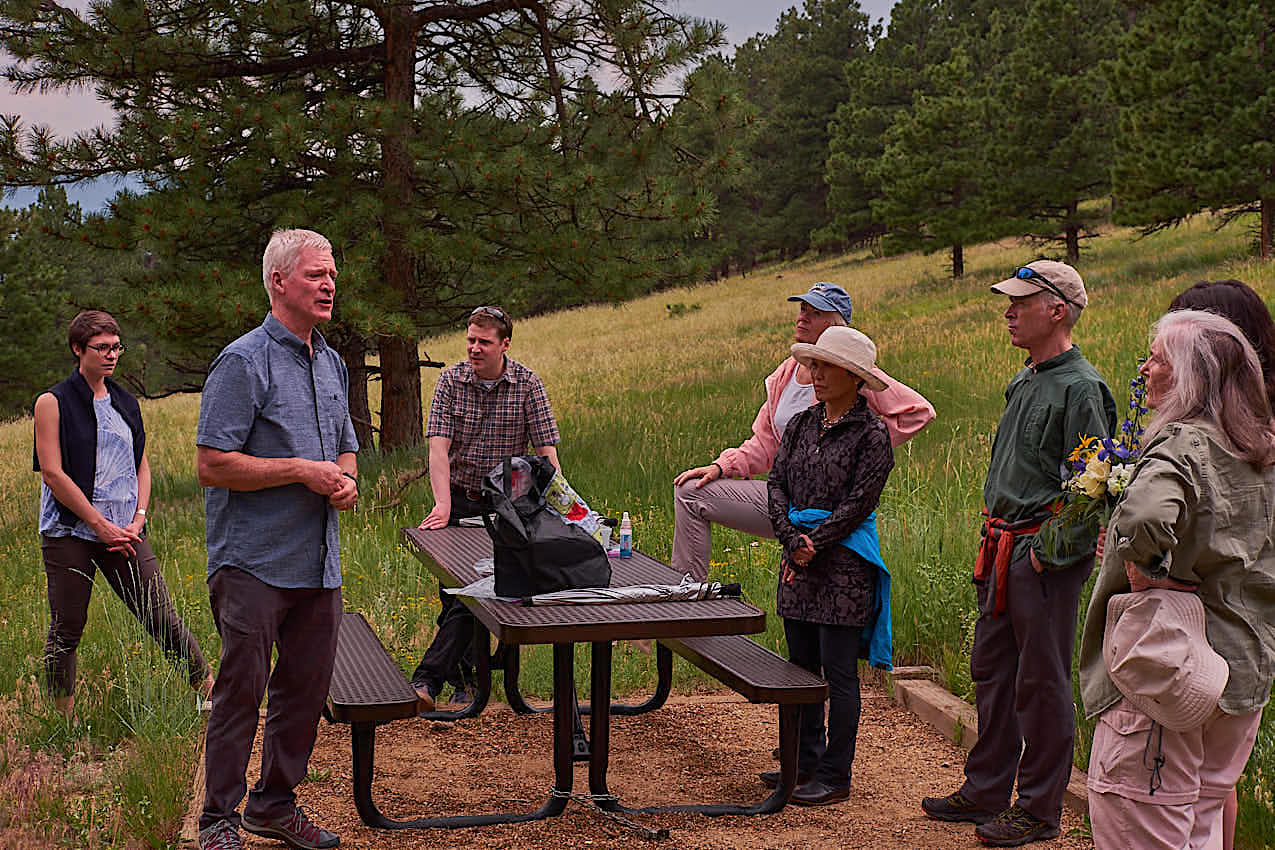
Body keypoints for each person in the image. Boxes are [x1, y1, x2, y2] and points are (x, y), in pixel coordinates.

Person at [921, 260, 1117, 846]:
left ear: (1057, 310)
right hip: (1003, 547)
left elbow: (1095, 486)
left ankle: (1037, 809)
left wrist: (1046, 554)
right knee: (993, 671)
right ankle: (985, 789)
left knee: (1043, 681)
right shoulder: (1027, 378)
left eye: (1020, 302)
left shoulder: (1082, 387)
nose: (1007, 312)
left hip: (1041, 555)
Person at [1078, 309, 1275, 850]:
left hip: (1169, 675)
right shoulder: (1262, 449)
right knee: (1204, 824)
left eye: (1158, 359)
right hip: (1240, 676)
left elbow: (1144, 520)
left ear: (1190, 377)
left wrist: (1150, 575)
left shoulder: (1181, 446)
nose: (1145, 370)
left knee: (1141, 823)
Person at [195, 229, 358, 850]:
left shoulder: (332, 361)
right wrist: (297, 470)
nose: (328, 284)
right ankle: (217, 820)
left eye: (332, 275)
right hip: (253, 563)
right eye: (316, 274)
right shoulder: (243, 362)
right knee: (243, 689)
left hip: (318, 563)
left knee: (305, 688)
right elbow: (212, 464)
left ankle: (273, 805)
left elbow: (345, 446)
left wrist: (343, 480)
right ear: (278, 283)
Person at [672, 282, 935, 579]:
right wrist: (722, 466)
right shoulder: (785, 374)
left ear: (834, 323)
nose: (801, 318)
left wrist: (852, 443)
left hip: (828, 506)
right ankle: (687, 593)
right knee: (689, 492)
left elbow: (918, 412)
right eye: (801, 309)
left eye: (813, 312)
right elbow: (765, 443)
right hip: (785, 497)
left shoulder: (853, 372)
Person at [33, 310, 212, 718]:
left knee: (159, 614)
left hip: (126, 531)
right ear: (79, 349)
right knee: (67, 626)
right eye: (102, 348)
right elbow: (52, 473)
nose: (112, 355)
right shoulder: (53, 402)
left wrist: (137, 518)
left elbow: (141, 466)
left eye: (116, 347)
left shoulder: (126, 403)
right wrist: (99, 525)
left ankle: (209, 693)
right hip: (70, 533)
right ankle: (64, 720)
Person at [764, 325, 894, 806]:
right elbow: (776, 483)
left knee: (838, 674)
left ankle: (836, 774)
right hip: (799, 556)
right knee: (799, 666)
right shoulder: (800, 424)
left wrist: (813, 543)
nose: (814, 374)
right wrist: (790, 537)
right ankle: (802, 761)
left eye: (824, 366)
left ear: (851, 375)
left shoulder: (872, 434)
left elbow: (860, 503)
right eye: (813, 365)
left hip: (844, 566)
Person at [411, 305, 560, 708]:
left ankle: (427, 681)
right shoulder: (450, 382)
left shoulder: (528, 384)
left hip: (508, 505)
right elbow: (438, 449)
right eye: (470, 341)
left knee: (476, 594)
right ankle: (469, 681)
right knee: (455, 594)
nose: (474, 349)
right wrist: (442, 504)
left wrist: (558, 507)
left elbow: (547, 455)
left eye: (484, 342)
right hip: (459, 498)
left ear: (504, 345)